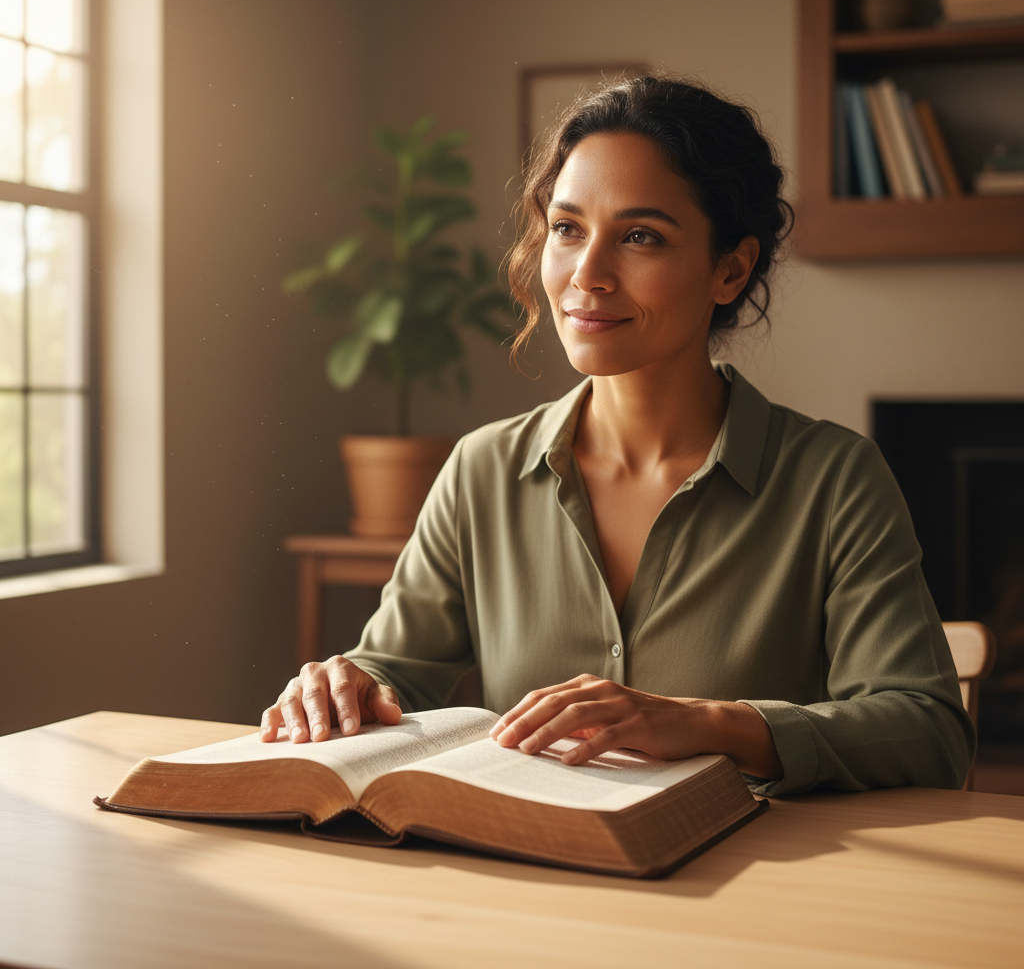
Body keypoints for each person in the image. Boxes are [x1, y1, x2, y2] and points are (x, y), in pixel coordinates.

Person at [260, 73, 974, 794]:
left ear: (731, 269)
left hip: (751, 892)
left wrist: (708, 724)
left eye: (639, 236)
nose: (588, 275)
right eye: (568, 229)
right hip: (527, 877)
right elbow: (395, 673)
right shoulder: (483, 469)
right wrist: (345, 684)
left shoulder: (834, 479)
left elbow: (929, 729)